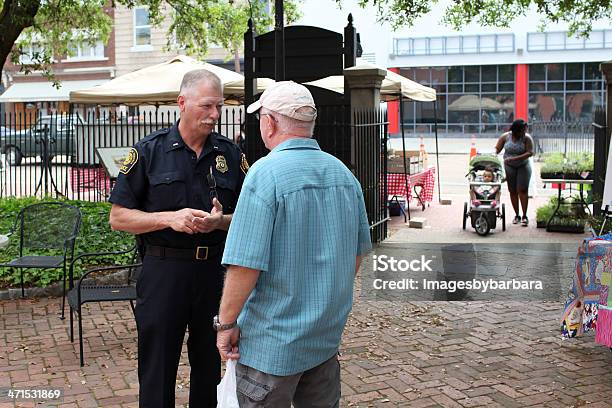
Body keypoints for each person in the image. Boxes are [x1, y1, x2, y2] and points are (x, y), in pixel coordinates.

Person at [215, 81, 372, 407]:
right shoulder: (343, 175)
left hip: (271, 346)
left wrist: (226, 323)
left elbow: (245, 264)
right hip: (324, 339)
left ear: (269, 122)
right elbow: (355, 257)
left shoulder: (264, 174)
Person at [108, 69, 248, 408]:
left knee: (208, 364)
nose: (215, 115)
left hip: (214, 273)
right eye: (207, 106)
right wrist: (168, 218)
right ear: (182, 103)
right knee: (157, 366)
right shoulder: (149, 152)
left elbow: (249, 220)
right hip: (163, 272)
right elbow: (118, 218)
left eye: (219, 106)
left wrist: (220, 221)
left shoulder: (230, 155)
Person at [495, 119, 533, 226]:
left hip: (523, 165)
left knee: (522, 190)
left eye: (524, 130)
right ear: (516, 130)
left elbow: (530, 152)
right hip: (509, 166)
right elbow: (497, 148)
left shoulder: (526, 138)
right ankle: (517, 215)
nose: (523, 132)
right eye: (522, 130)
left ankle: (525, 215)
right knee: (512, 191)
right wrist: (493, 154)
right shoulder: (505, 137)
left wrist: (515, 158)